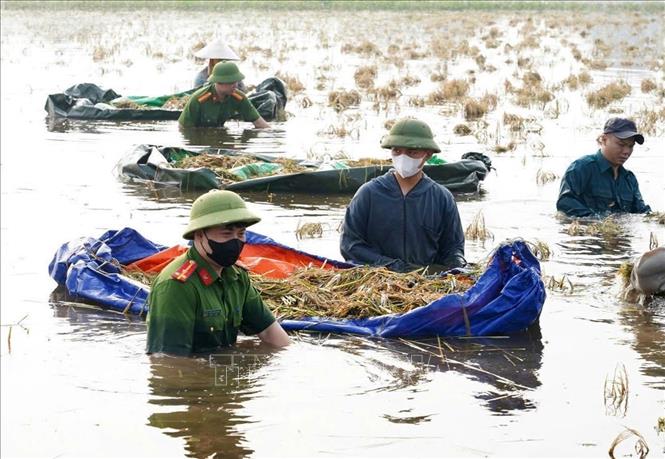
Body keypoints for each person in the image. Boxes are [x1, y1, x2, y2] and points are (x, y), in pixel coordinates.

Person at [146, 190, 290, 355]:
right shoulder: (176, 286)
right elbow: (168, 362)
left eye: (241, 233)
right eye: (226, 233)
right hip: (195, 377)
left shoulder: (236, 276)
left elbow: (270, 332)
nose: (235, 241)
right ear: (199, 235)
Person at [340, 118, 466, 273]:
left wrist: (457, 266)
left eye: (412, 152)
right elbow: (350, 245)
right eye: (397, 151)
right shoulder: (368, 194)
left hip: (425, 283)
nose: (403, 157)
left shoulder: (441, 198)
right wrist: (390, 266)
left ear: (428, 154)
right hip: (376, 281)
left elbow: (452, 247)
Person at [556, 118, 651, 217]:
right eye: (621, 144)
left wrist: (656, 219)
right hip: (588, 231)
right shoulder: (581, 168)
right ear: (604, 140)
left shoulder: (629, 179)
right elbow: (565, 203)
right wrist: (599, 222)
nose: (626, 151)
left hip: (621, 232)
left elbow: (641, 213)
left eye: (631, 146)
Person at [178, 62, 269, 129]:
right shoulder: (199, 99)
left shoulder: (239, 98)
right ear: (218, 82)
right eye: (231, 82)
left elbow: (260, 123)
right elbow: (183, 128)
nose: (235, 85)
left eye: (236, 81)